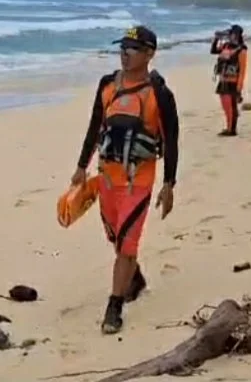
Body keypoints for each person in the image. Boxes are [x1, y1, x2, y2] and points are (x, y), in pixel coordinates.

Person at [71, 25, 180, 335]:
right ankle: (136, 278)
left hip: (139, 180)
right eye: (123, 47)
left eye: (132, 49)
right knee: (116, 238)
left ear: (149, 53)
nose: (125, 54)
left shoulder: (160, 93)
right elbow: (95, 128)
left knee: (127, 243)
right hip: (107, 178)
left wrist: (169, 184)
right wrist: (81, 167)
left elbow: (171, 140)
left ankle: (114, 305)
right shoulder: (107, 86)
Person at [210, 24, 248, 136]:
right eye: (231, 34)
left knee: (231, 106)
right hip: (223, 79)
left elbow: (242, 70)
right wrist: (216, 38)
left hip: (233, 81)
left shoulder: (241, 50)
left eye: (234, 34)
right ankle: (228, 127)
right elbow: (213, 50)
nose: (232, 36)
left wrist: (239, 87)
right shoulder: (226, 46)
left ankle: (231, 129)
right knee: (225, 106)